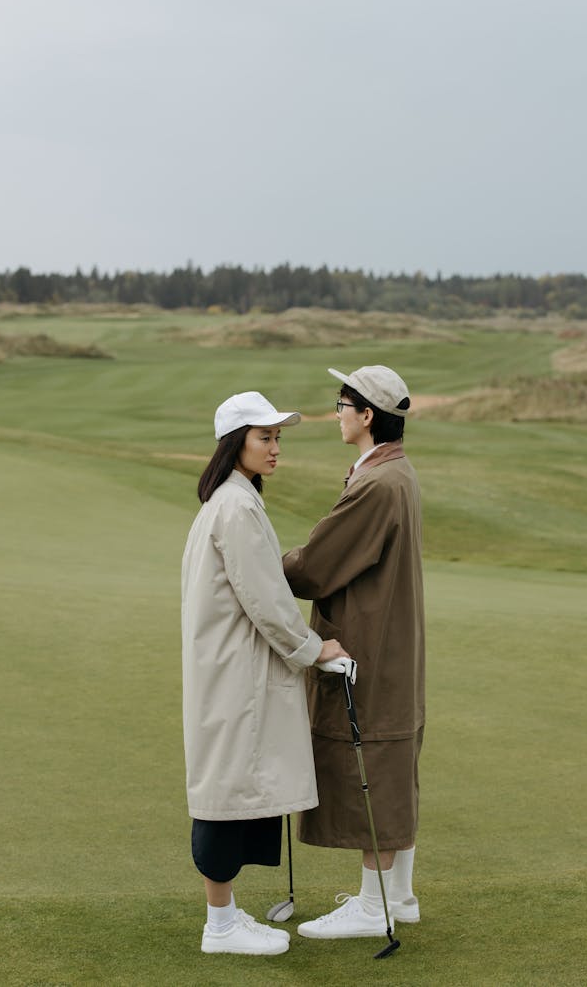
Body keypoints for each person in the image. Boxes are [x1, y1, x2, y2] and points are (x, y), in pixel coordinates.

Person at [181, 390, 349, 957]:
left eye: (278, 438)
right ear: (236, 445)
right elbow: (266, 601)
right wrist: (314, 648)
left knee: (232, 788)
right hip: (238, 675)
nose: (276, 448)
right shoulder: (235, 507)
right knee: (225, 794)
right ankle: (221, 926)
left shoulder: (233, 501)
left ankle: (226, 917)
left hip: (235, 671)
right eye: (265, 438)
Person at [283, 364, 425, 940]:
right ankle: (400, 896)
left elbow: (316, 567)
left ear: (367, 415)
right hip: (390, 644)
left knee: (377, 764)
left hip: (371, 645)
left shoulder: (377, 484)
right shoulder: (394, 473)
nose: (337, 412)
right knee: (391, 762)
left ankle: (375, 907)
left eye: (343, 404)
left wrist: (263, 562)